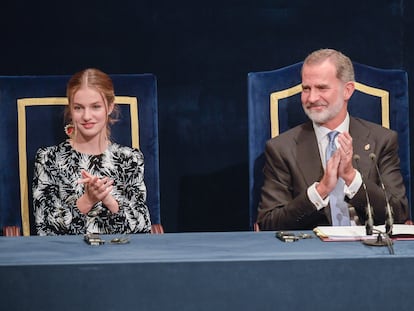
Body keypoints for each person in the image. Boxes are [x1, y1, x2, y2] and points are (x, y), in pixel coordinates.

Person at [257, 48, 409, 231]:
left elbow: (399, 215)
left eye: (322, 88)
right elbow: (269, 223)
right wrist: (320, 190)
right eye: (306, 89)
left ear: (347, 90)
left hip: (371, 250)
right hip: (312, 254)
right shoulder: (281, 148)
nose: (312, 98)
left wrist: (352, 179)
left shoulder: (382, 140)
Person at [32, 68, 152, 235]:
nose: (87, 116)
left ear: (109, 107)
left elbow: (142, 227)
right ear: (71, 109)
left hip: (120, 256)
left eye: (95, 107)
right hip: (67, 257)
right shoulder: (49, 159)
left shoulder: (130, 159)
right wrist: (86, 201)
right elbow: (44, 228)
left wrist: (108, 200)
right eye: (79, 108)